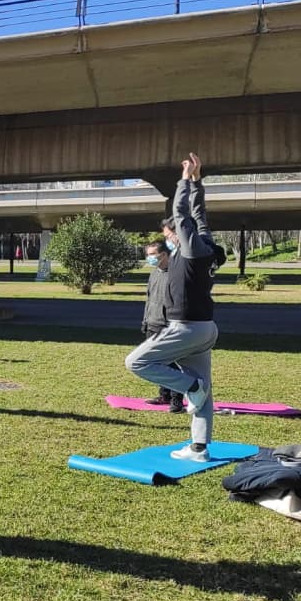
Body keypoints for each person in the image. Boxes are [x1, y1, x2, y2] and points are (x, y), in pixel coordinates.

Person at [125, 152, 219, 461]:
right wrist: (197, 181)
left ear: (179, 234)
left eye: (169, 235)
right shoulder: (205, 244)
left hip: (186, 327)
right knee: (204, 393)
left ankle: (191, 386)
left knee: (135, 362)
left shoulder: (190, 249)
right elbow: (199, 214)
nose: (166, 240)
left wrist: (183, 178)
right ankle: (199, 448)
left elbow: (182, 213)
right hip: (206, 328)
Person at [139, 240, 181, 412]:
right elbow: (150, 299)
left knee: (171, 363)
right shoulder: (154, 273)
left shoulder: (176, 274)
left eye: (152, 254)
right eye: (147, 254)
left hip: (168, 325)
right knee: (155, 362)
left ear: (164, 254)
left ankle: (177, 399)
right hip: (152, 324)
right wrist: (145, 321)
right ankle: (164, 394)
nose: (149, 258)